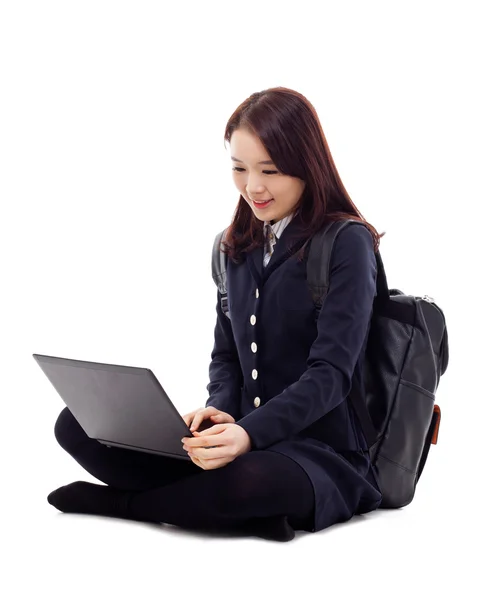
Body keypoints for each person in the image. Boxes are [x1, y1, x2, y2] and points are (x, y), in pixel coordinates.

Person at [47, 86, 384, 542]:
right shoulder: (231, 247)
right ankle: (214, 505)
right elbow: (226, 360)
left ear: (308, 164)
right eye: (239, 168)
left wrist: (249, 435)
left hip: (321, 451)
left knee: (249, 483)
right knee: (77, 424)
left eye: (271, 170)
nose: (253, 187)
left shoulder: (347, 241)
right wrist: (218, 414)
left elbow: (331, 374)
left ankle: (122, 504)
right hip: (240, 439)